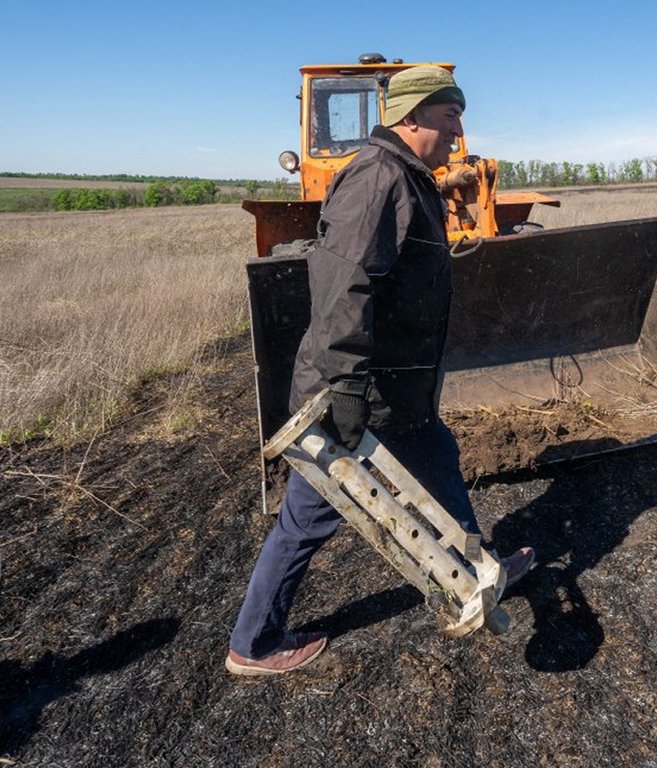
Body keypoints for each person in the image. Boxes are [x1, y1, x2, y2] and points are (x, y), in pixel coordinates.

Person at [225, 66, 535, 676]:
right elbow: (344, 284)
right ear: (414, 115)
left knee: (439, 462)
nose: (459, 129)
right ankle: (254, 643)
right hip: (358, 389)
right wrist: (344, 386)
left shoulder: (411, 179)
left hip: (399, 387)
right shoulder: (376, 176)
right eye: (450, 115)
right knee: (307, 518)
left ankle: (479, 571)